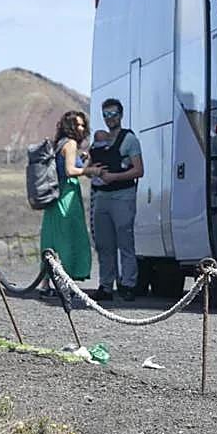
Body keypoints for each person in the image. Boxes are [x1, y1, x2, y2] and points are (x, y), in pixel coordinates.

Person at [39, 110, 100, 296]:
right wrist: (92, 170)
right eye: (77, 125)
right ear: (70, 127)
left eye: (82, 125)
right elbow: (69, 171)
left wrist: (82, 162)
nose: (81, 128)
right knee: (70, 237)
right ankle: (67, 282)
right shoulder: (71, 143)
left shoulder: (59, 144)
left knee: (52, 239)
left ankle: (46, 283)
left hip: (54, 196)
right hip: (67, 194)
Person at [87, 99, 143, 303]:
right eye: (106, 115)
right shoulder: (98, 141)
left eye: (113, 114)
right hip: (102, 195)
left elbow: (139, 170)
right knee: (104, 244)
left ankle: (128, 284)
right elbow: (88, 166)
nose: (110, 119)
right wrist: (93, 171)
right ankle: (105, 285)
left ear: (121, 114)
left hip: (122, 195)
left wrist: (115, 177)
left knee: (125, 241)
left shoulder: (129, 140)